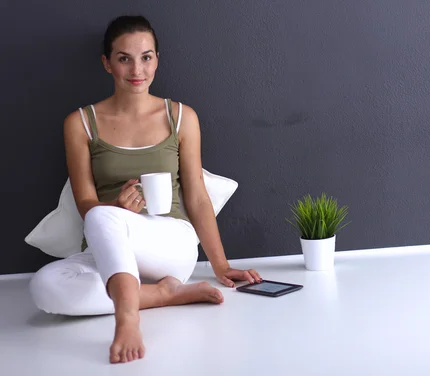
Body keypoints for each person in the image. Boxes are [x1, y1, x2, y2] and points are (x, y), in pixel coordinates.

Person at [28, 15, 262, 364]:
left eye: (146, 57)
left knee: (102, 217)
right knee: (44, 286)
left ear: (157, 59)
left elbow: (197, 196)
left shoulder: (181, 117)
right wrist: (115, 208)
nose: (137, 69)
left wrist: (221, 263)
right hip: (110, 243)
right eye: (124, 58)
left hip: (170, 244)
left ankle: (128, 318)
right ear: (107, 63)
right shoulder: (80, 123)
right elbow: (85, 203)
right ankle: (164, 294)